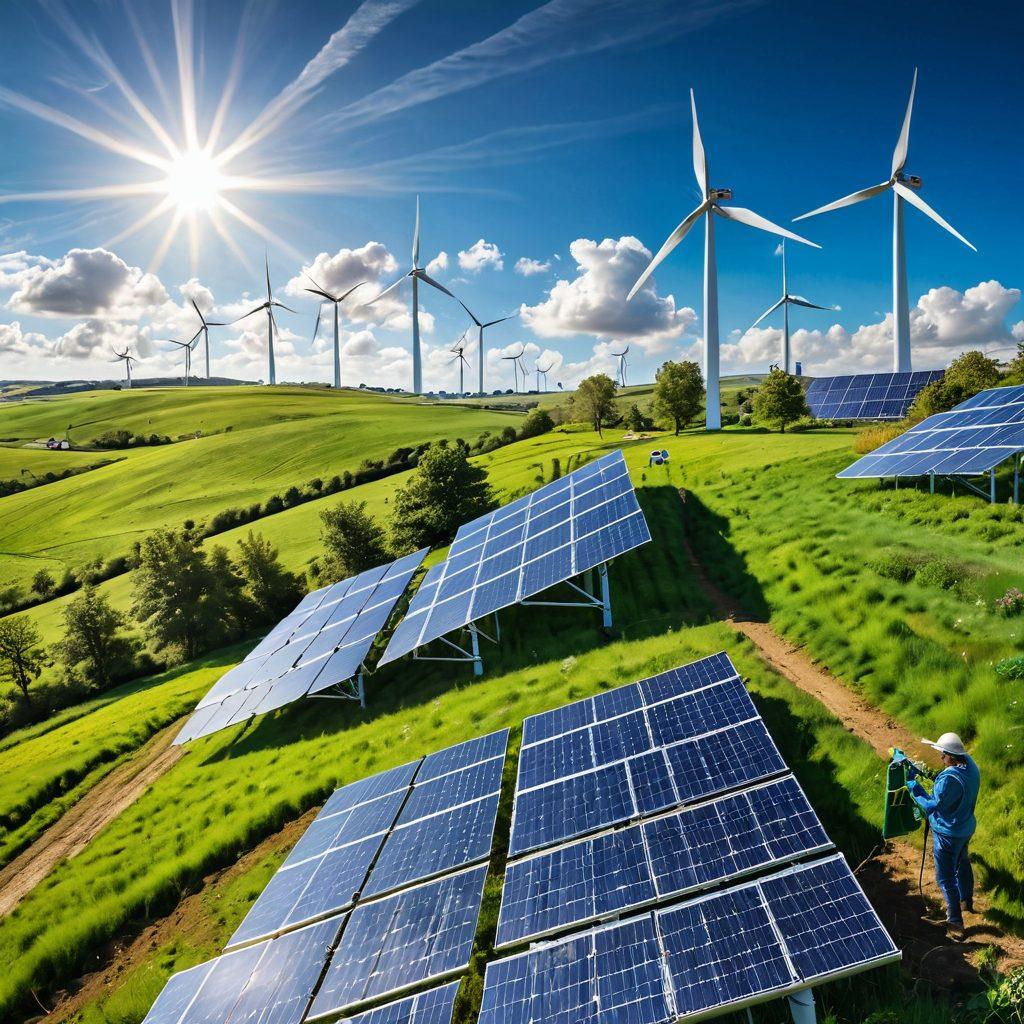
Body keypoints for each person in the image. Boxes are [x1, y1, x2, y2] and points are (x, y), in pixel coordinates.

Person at [906, 732, 980, 941]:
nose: (941, 758)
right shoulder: (971, 766)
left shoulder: (949, 779)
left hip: (948, 834)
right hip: (965, 827)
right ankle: (966, 901)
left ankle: (955, 923)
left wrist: (912, 783)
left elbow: (931, 805)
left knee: (946, 878)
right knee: (962, 862)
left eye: (944, 755)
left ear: (952, 757)